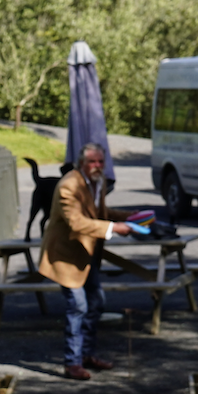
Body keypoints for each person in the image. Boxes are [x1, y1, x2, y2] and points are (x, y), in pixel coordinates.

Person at [37, 143, 134, 380]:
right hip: (65, 257)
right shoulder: (68, 185)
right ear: (82, 163)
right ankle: (72, 363)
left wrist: (131, 217)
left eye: (101, 162)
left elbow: (100, 213)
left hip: (86, 255)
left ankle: (86, 355)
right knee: (79, 306)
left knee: (97, 303)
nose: (97, 166)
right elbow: (77, 223)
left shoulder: (96, 182)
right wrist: (114, 228)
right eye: (93, 162)